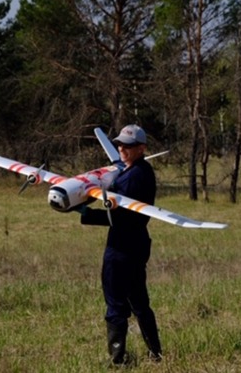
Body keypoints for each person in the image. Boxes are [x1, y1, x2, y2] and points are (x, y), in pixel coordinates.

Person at [79, 124, 162, 365]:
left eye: (128, 145)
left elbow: (122, 215)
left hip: (123, 247)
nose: (121, 149)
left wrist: (86, 214)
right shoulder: (137, 170)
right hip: (136, 243)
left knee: (115, 301)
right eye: (119, 144)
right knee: (139, 301)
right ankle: (156, 354)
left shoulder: (135, 177)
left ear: (142, 148)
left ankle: (117, 360)